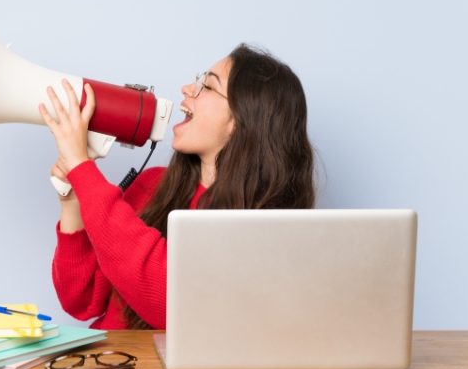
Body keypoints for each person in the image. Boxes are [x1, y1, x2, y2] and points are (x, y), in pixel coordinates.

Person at [38, 44, 315, 330]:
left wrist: (83, 170)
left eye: (207, 86)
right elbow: (82, 302)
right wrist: (71, 200)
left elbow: (172, 302)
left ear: (241, 119)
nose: (187, 89)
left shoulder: (256, 227)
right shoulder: (152, 185)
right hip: (111, 368)